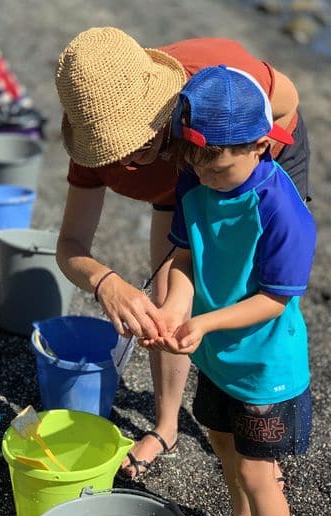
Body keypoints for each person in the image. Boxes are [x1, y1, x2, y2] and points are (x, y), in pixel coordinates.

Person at [55, 26, 311, 479]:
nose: (127, 163)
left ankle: (260, 423)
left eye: (137, 146)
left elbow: (287, 99)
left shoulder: (215, 81)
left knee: (247, 290)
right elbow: (70, 246)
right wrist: (106, 283)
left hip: (239, 158)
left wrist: (250, 162)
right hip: (187, 182)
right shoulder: (94, 143)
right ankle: (167, 426)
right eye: (113, 152)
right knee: (169, 299)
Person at [139, 65, 316, 516]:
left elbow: (275, 298)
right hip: (217, 356)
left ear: (261, 145)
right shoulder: (194, 177)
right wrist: (174, 306)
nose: (205, 177)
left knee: (262, 476)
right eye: (194, 163)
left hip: (265, 368)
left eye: (218, 168)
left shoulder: (281, 209)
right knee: (220, 438)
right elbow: (187, 256)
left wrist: (204, 322)